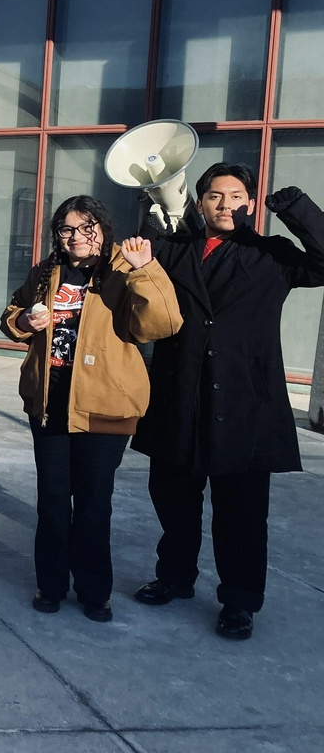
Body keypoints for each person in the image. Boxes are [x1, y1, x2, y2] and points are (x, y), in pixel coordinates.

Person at [131, 165, 324, 640]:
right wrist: (151, 222)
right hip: (180, 400)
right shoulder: (175, 251)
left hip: (245, 406)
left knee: (241, 514)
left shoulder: (271, 254)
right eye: (214, 197)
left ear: (250, 204)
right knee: (174, 503)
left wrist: (296, 208)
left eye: (236, 196)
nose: (225, 205)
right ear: (199, 204)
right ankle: (175, 578)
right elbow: (138, 270)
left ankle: (239, 601)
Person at [1, 196, 180, 623]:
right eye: (67, 228)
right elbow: (13, 316)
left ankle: (94, 590)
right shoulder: (48, 271)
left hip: (105, 405)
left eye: (87, 227)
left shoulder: (124, 268)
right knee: (53, 500)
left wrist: (145, 269)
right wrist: (25, 321)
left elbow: (164, 323)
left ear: (103, 227)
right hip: (50, 402)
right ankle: (51, 584)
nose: (77, 237)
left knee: (95, 502)